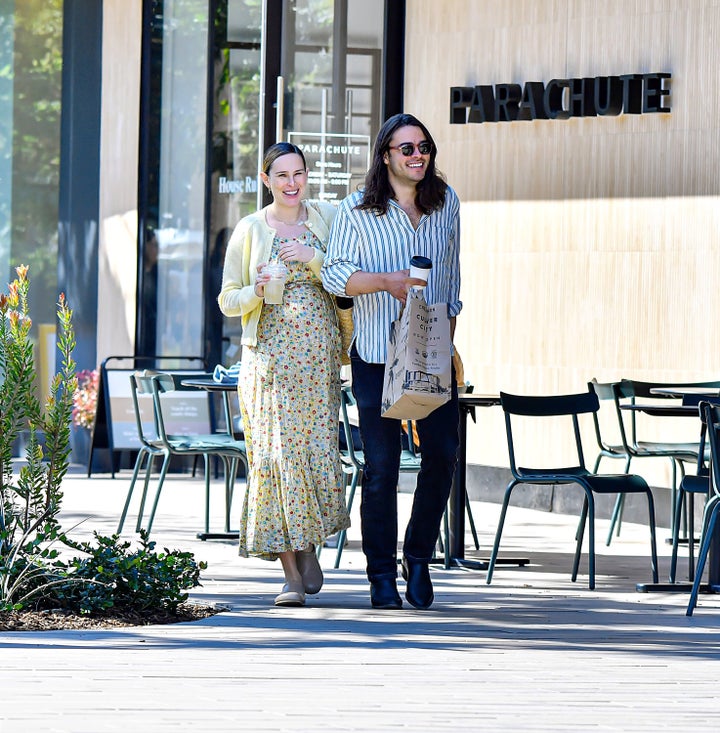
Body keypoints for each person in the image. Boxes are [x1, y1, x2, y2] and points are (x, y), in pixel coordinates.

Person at [321, 113, 461, 610]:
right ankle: (380, 573)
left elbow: (452, 280)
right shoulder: (357, 211)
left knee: (442, 457)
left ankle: (418, 557)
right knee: (381, 468)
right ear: (385, 155)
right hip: (377, 354)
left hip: (432, 358)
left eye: (424, 147)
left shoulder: (447, 205)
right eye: (407, 148)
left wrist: (446, 337)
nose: (418, 155)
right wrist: (387, 282)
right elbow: (335, 277)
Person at [218, 142, 350, 607]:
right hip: (268, 360)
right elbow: (227, 300)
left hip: (317, 361)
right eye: (282, 175)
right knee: (275, 454)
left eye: (298, 173)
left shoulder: (327, 219)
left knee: (313, 449)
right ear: (266, 179)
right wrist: (254, 290)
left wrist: (311, 258)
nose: (292, 183)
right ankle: (291, 573)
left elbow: (346, 276)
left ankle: (308, 542)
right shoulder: (250, 229)